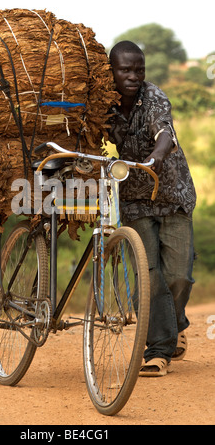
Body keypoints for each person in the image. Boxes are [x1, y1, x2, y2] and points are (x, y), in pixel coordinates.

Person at [108, 40, 196, 376]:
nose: (133, 76)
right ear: (112, 71)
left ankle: (176, 323)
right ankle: (159, 350)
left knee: (178, 276)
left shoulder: (154, 96)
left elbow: (164, 131)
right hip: (133, 198)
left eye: (138, 69)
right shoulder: (105, 104)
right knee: (150, 277)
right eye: (125, 70)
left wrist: (157, 155)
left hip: (172, 194)